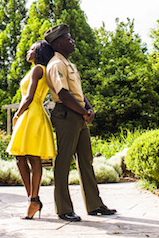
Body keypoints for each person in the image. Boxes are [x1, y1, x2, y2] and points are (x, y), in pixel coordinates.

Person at [43, 23, 116, 222]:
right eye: (68, 38)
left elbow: (79, 93)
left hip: (78, 114)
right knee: (64, 162)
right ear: (58, 43)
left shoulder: (69, 65)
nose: (72, 41)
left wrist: (89, 109)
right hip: (66, 115)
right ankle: (63, 208)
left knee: (86, 160)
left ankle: (94, 205)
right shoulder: (56, 64)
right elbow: (63, 94)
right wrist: (84, 111)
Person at [6, 40, 57, 219]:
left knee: (32, 158)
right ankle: (33, 199)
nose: (28, 52)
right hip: (32, 114)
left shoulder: (38, 69)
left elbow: (28, 97)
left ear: (39, 52)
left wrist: (17, 114)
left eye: (32, 49)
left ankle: (33, 199)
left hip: (31, 113)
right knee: (20, 157)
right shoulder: (37, 69)